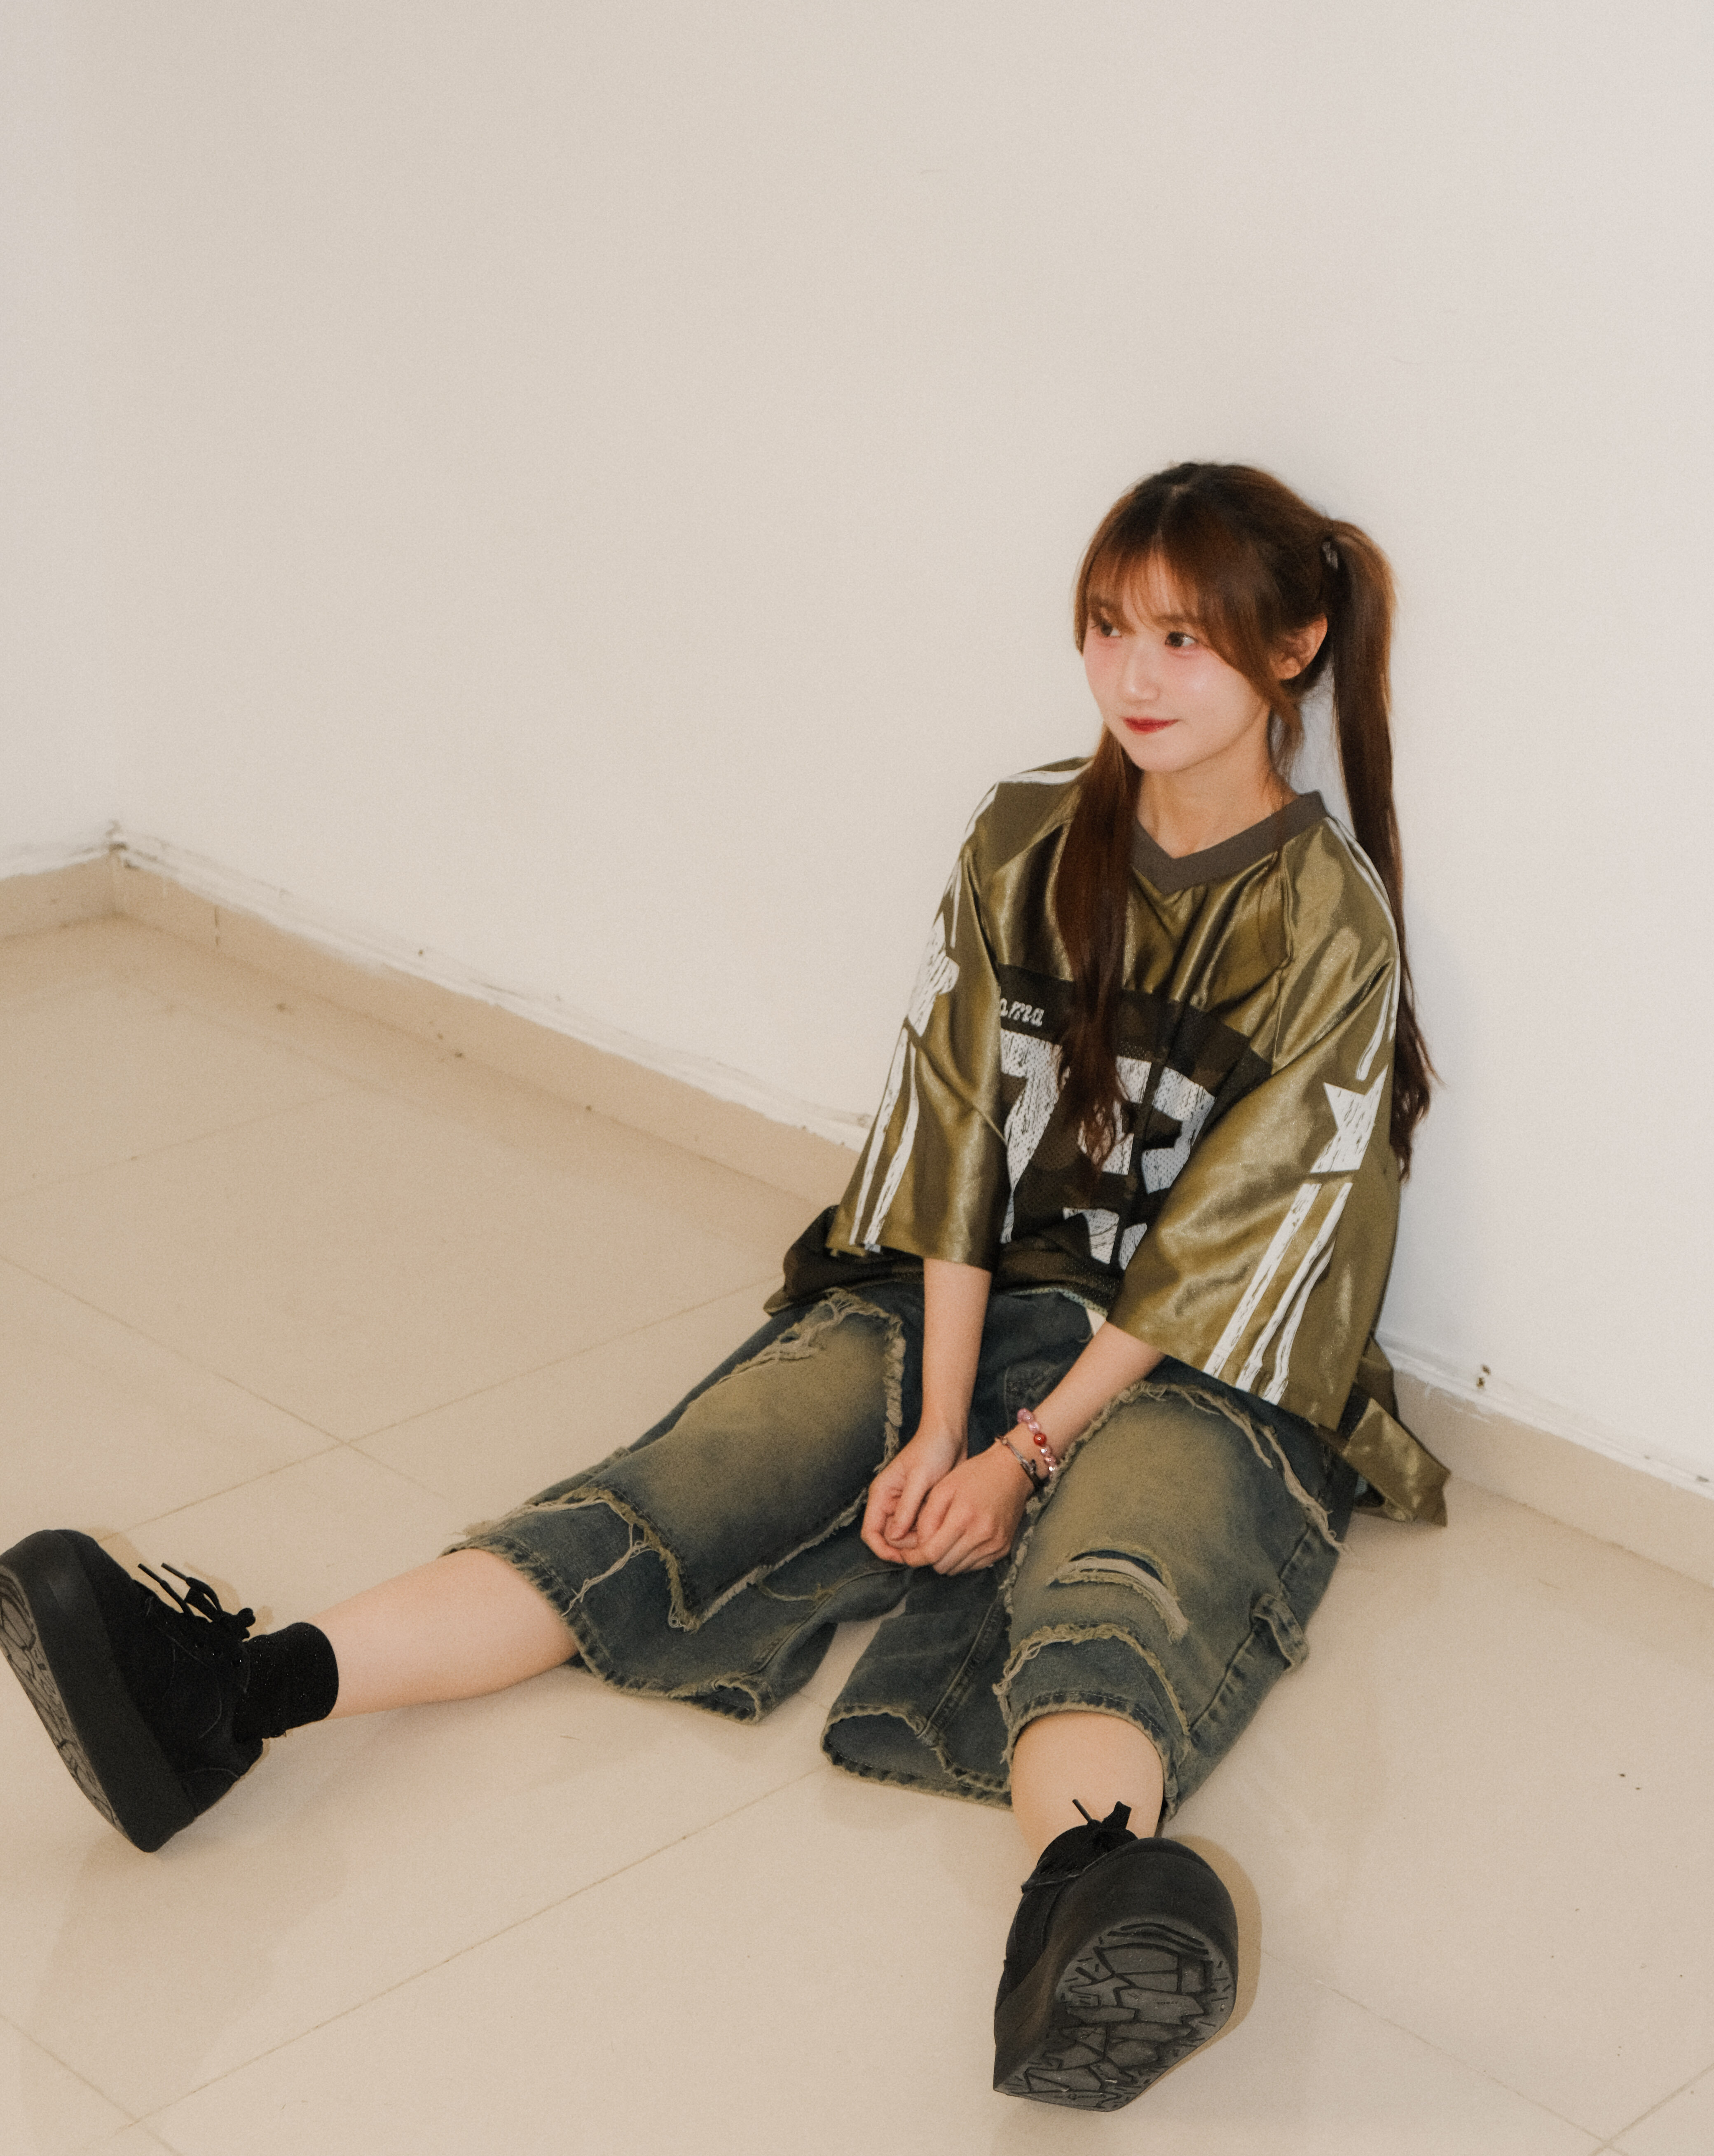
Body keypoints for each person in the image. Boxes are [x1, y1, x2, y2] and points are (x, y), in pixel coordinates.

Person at [0, 461, 1447, 2112]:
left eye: (1183, 640)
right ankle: (231, 1696)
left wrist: (1022, 1453)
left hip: (1203, 1362)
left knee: (1115, 1584)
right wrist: (942, 1419)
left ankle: (1086, 1900)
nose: (1132, 675)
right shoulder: (1023, 835)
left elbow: (1230, 1259)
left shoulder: (1330, 922)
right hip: (968, 1297)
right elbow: (950, 1140)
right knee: (694, 1483)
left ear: (1292, 647)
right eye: (1109, 626)